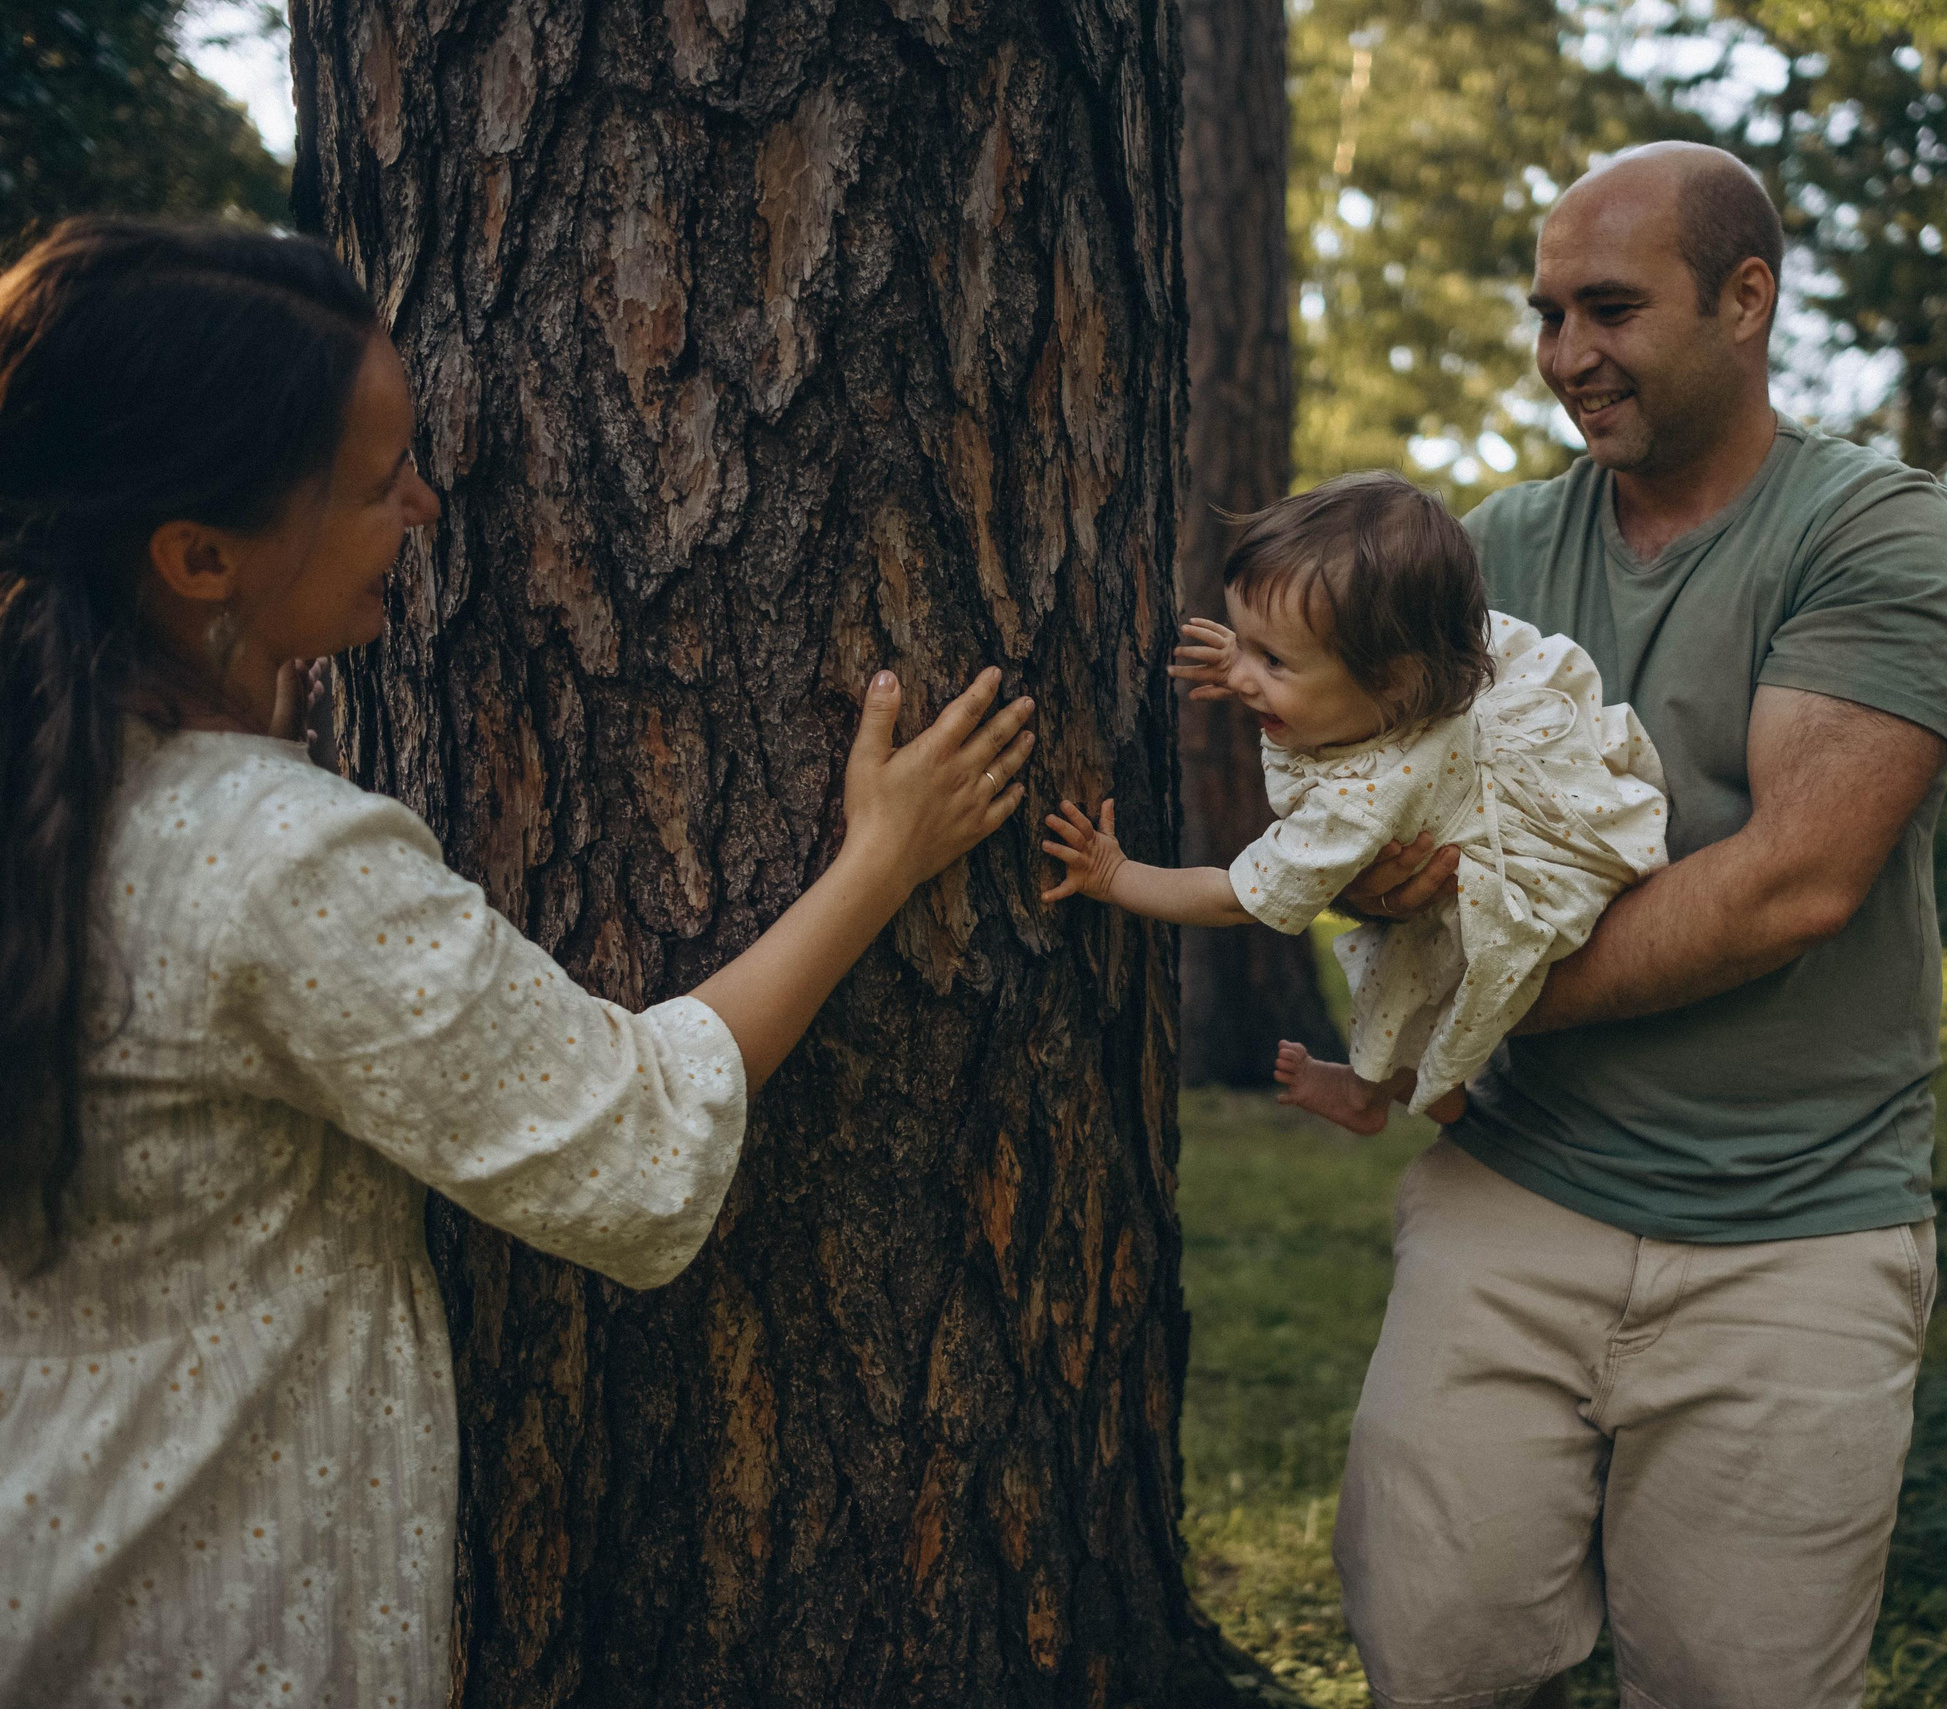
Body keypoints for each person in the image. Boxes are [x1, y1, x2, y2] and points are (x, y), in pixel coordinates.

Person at [0, 219, 1035, 1706]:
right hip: (207, 1620)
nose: (427, 504)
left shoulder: (56, 796)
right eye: (374, 486)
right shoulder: (278, 859)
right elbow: (627, 1145)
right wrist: (879, 861)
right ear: (197, 555)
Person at [1325, 144, 1947, 1708]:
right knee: (1439, 1658)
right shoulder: (1484, 557)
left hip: (1800, 1227)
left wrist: (1464, 1001)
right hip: (1514, 1193)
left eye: (1609, 308)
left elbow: (1792, 884)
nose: (1567, 356)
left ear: (1745, 299)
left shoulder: (1871, 535)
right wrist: (1365, 883)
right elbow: (1356, 808)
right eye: (1547, 314)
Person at [1036, 471, 1668, 1132]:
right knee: (1421, 963)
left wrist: (1114, 875)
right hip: (1496, 793)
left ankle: (1369, 1097)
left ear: (1390, 680)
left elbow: (1237, 895)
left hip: (1516, 868)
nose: (1244, 673)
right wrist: (1259, 662)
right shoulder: (1416, 683)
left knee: (1412, 965)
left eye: (1273, 660)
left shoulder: (1365, 799)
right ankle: (1441, 1096)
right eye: (1243, 640)